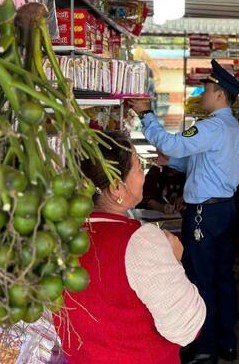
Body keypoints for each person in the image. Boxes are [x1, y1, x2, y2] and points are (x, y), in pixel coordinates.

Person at [129, 59, 239, 364]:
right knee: (223, 277)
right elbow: (204, 163)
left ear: (219, 94)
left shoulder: (210, 127)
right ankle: (227, 342)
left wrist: (145, 114)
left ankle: (205, 347)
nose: (201, 94)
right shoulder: (232, 127)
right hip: (225, 210)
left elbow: (172, 143)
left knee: (201, 278)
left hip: (204, 215)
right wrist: (171, 162)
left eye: (205, 89)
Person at [55, 133, 205, 364]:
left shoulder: (57, 238)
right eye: (138, 167)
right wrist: (176, 260)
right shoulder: (140, 242)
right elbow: (186, 328)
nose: (143, 173)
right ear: (117, 187)